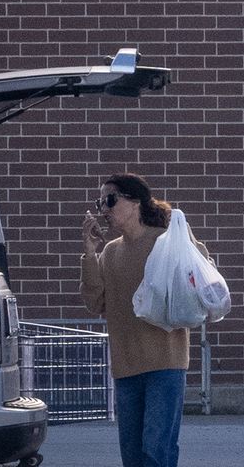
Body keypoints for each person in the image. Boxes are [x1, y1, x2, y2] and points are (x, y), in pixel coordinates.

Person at [81, 173, 204, 467]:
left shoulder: (164, 240)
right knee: (133, 455)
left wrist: (185, 238)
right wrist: (89, 252)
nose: (104, 210)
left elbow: (199, 272)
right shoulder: (110, 253)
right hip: (126, 368)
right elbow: (95, 302)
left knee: (156, 449)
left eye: (110, 200)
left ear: (135, 202)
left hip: (165, 364)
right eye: (100, 203)